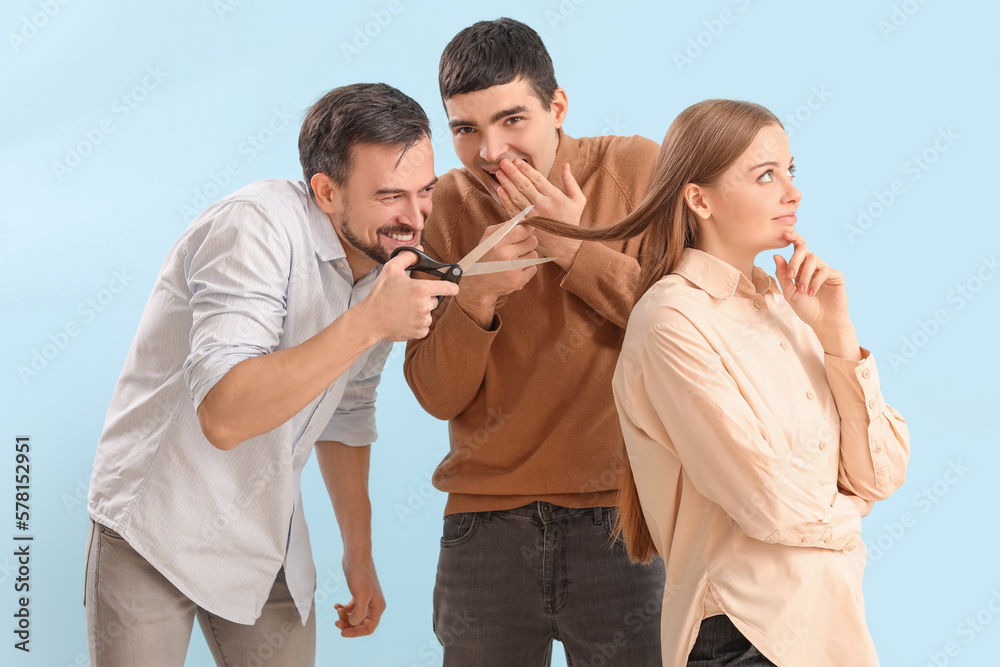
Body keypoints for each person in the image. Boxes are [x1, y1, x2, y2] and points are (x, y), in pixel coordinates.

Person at [84, 83, 458, 666]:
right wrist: (368, 323)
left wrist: (358, 556)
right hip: (155, 527)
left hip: (264, 534)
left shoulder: (381, 266)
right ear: (326, 192)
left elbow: (349, 411)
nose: (414, 219)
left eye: (424, 191)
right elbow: (225, 415)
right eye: (390, 196)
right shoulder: (253, 228)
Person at [530, 99, 910, 666]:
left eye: (790, 171)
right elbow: (767, 504)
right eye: (765, 175)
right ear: (698, 199)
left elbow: (878, 473)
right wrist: (850, 514)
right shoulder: (670, 320)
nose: (792, 192)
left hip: (831, 632)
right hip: (745, 637)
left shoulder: (788, 310)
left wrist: (838, 339)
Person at [403, 17, 666, 665]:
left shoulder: (637, 168)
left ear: (557, 107)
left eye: (512, 120)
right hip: (483, 528)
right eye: (466, 129)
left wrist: (573, 246)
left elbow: (682, 337)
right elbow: (436, 394)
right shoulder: (441, 208)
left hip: (624, 519)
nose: (491, 151)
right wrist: (478, 297)